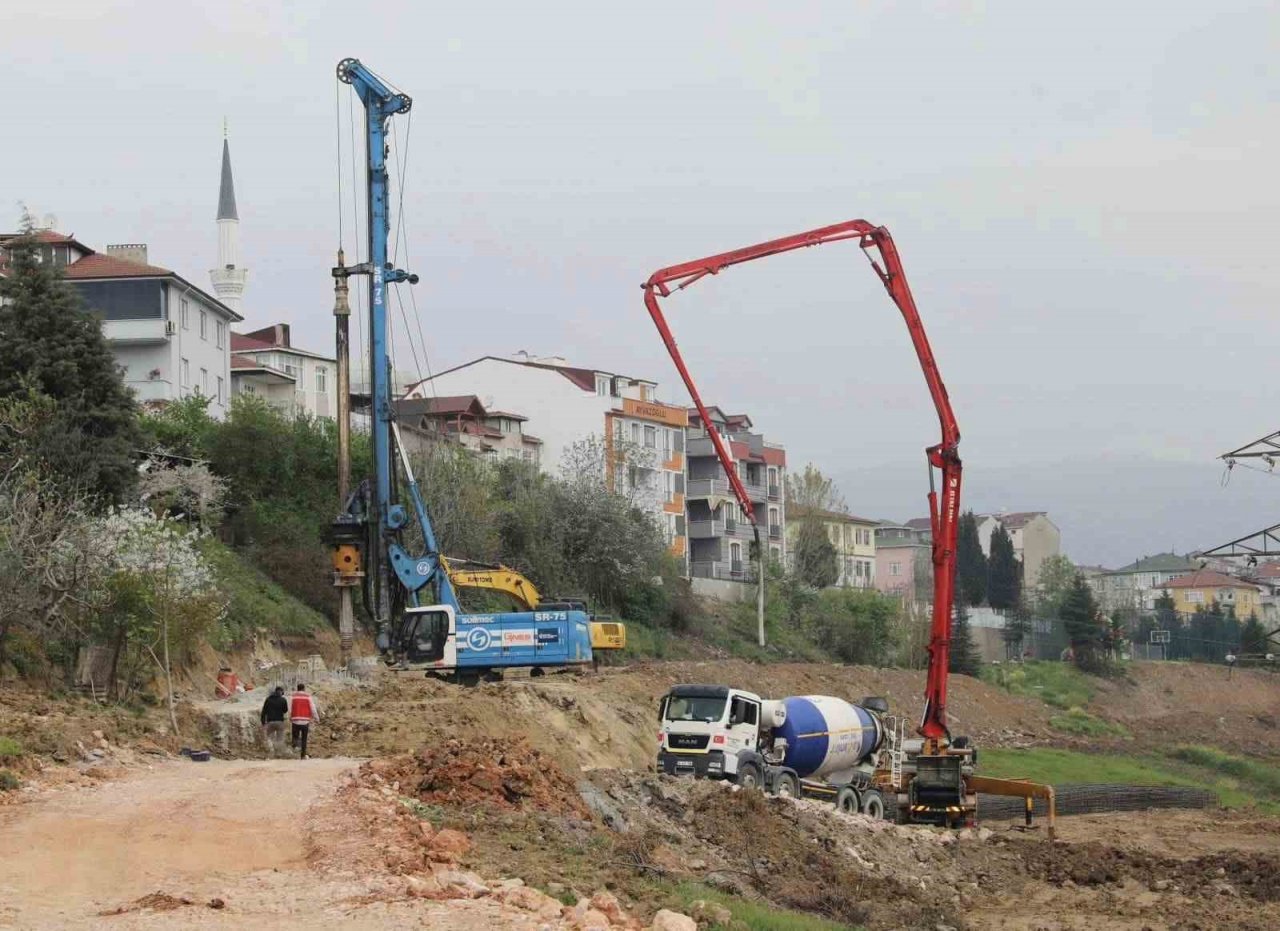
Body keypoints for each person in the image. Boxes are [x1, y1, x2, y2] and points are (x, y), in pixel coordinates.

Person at [289, 683, 320, 759]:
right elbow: (313, 708)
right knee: (304, 739)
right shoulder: (308, 696)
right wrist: (317, 718)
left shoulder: (293, 696)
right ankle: (302, 755)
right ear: (304, 689)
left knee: (295, 737)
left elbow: (290, 707)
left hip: (295, 721)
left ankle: (294, 753)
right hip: (305, 721)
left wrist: (290, 716)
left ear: (297, 688)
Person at [259, 686, 288, 759]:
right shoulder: (283, 700)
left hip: (270, 722)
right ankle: (278, 754)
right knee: (280, 739)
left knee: (269, 738)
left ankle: (271, 753)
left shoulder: (268, 699)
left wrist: (263, 722)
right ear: (281, 692)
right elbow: (285, 710)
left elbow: (264, 712)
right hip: (280, 722)